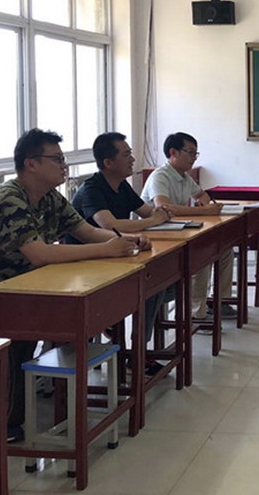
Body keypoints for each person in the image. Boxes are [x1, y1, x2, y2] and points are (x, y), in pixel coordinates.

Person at [0, 129, 140, 443]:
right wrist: (107, 249)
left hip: (15, 289)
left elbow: (87, 231)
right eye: (57, 159)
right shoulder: (9, 199)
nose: (64, 165)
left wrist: (127, 240)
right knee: (17, 334)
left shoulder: (49, 197)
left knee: (34, 326)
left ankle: (19, 403)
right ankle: (0, 420)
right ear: (31, 164)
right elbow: (39, 254)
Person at [71, 132, 173, 370]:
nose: (133, 159)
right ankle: (133, 351)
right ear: (108, 163)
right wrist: (152, 221)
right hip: (87, 265)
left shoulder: (122, 185)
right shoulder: (92, 188)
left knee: (162, 282)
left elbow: (147, 212)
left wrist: (160, 214)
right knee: (150, 287)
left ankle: (135, 346)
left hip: (117, 257)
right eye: (126, 155)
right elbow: (110, 225)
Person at [141, 132, 236, 323]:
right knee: (203, 255)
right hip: (156, 235)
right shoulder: (160, 176)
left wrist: (205, 205)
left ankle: (221, 302)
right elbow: (164, 207)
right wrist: (204, 211)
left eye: (195, 153)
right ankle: (196, 313)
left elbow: (202, 196)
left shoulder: (184, 177)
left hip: (177, 230)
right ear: (173, 152)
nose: (194, 158)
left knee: (225, 250)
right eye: (190, 153)